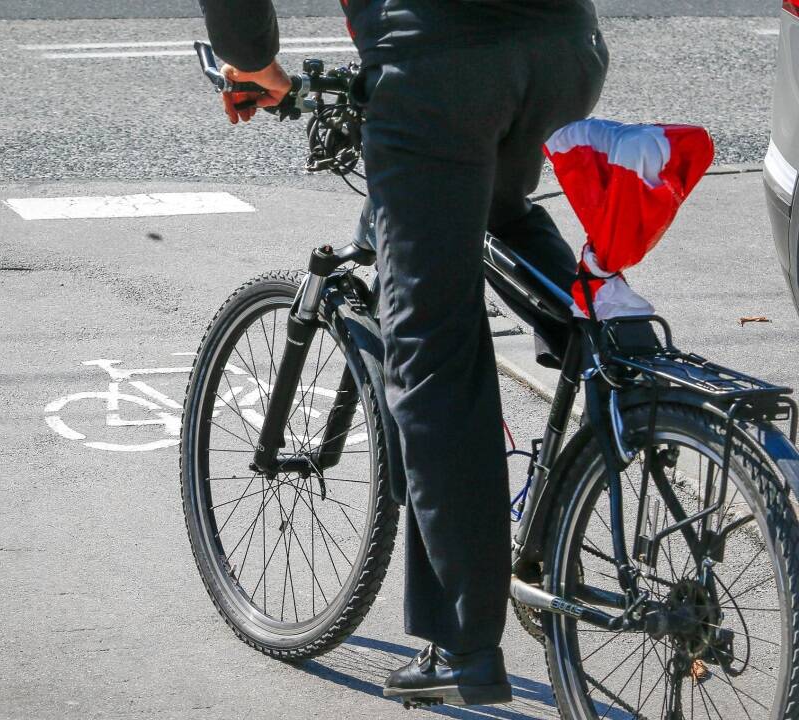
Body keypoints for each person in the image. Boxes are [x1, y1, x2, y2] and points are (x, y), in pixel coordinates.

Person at [201, 0, 607, 707]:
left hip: (438, 66)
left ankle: (464, 647)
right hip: (566, 47)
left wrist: (253, 59)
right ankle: (620, 387)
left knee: (433, 353)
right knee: (497, 211)